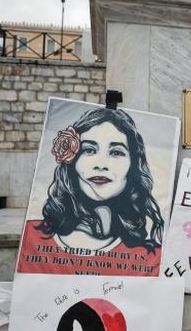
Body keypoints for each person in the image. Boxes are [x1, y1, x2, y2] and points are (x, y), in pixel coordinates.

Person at [17, 106, 165, 275]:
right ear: (72, 160)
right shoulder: (33, 238)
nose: (100, 164)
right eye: (89, 150)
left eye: (116, 152)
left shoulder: (150, 258)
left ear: (133, 166)